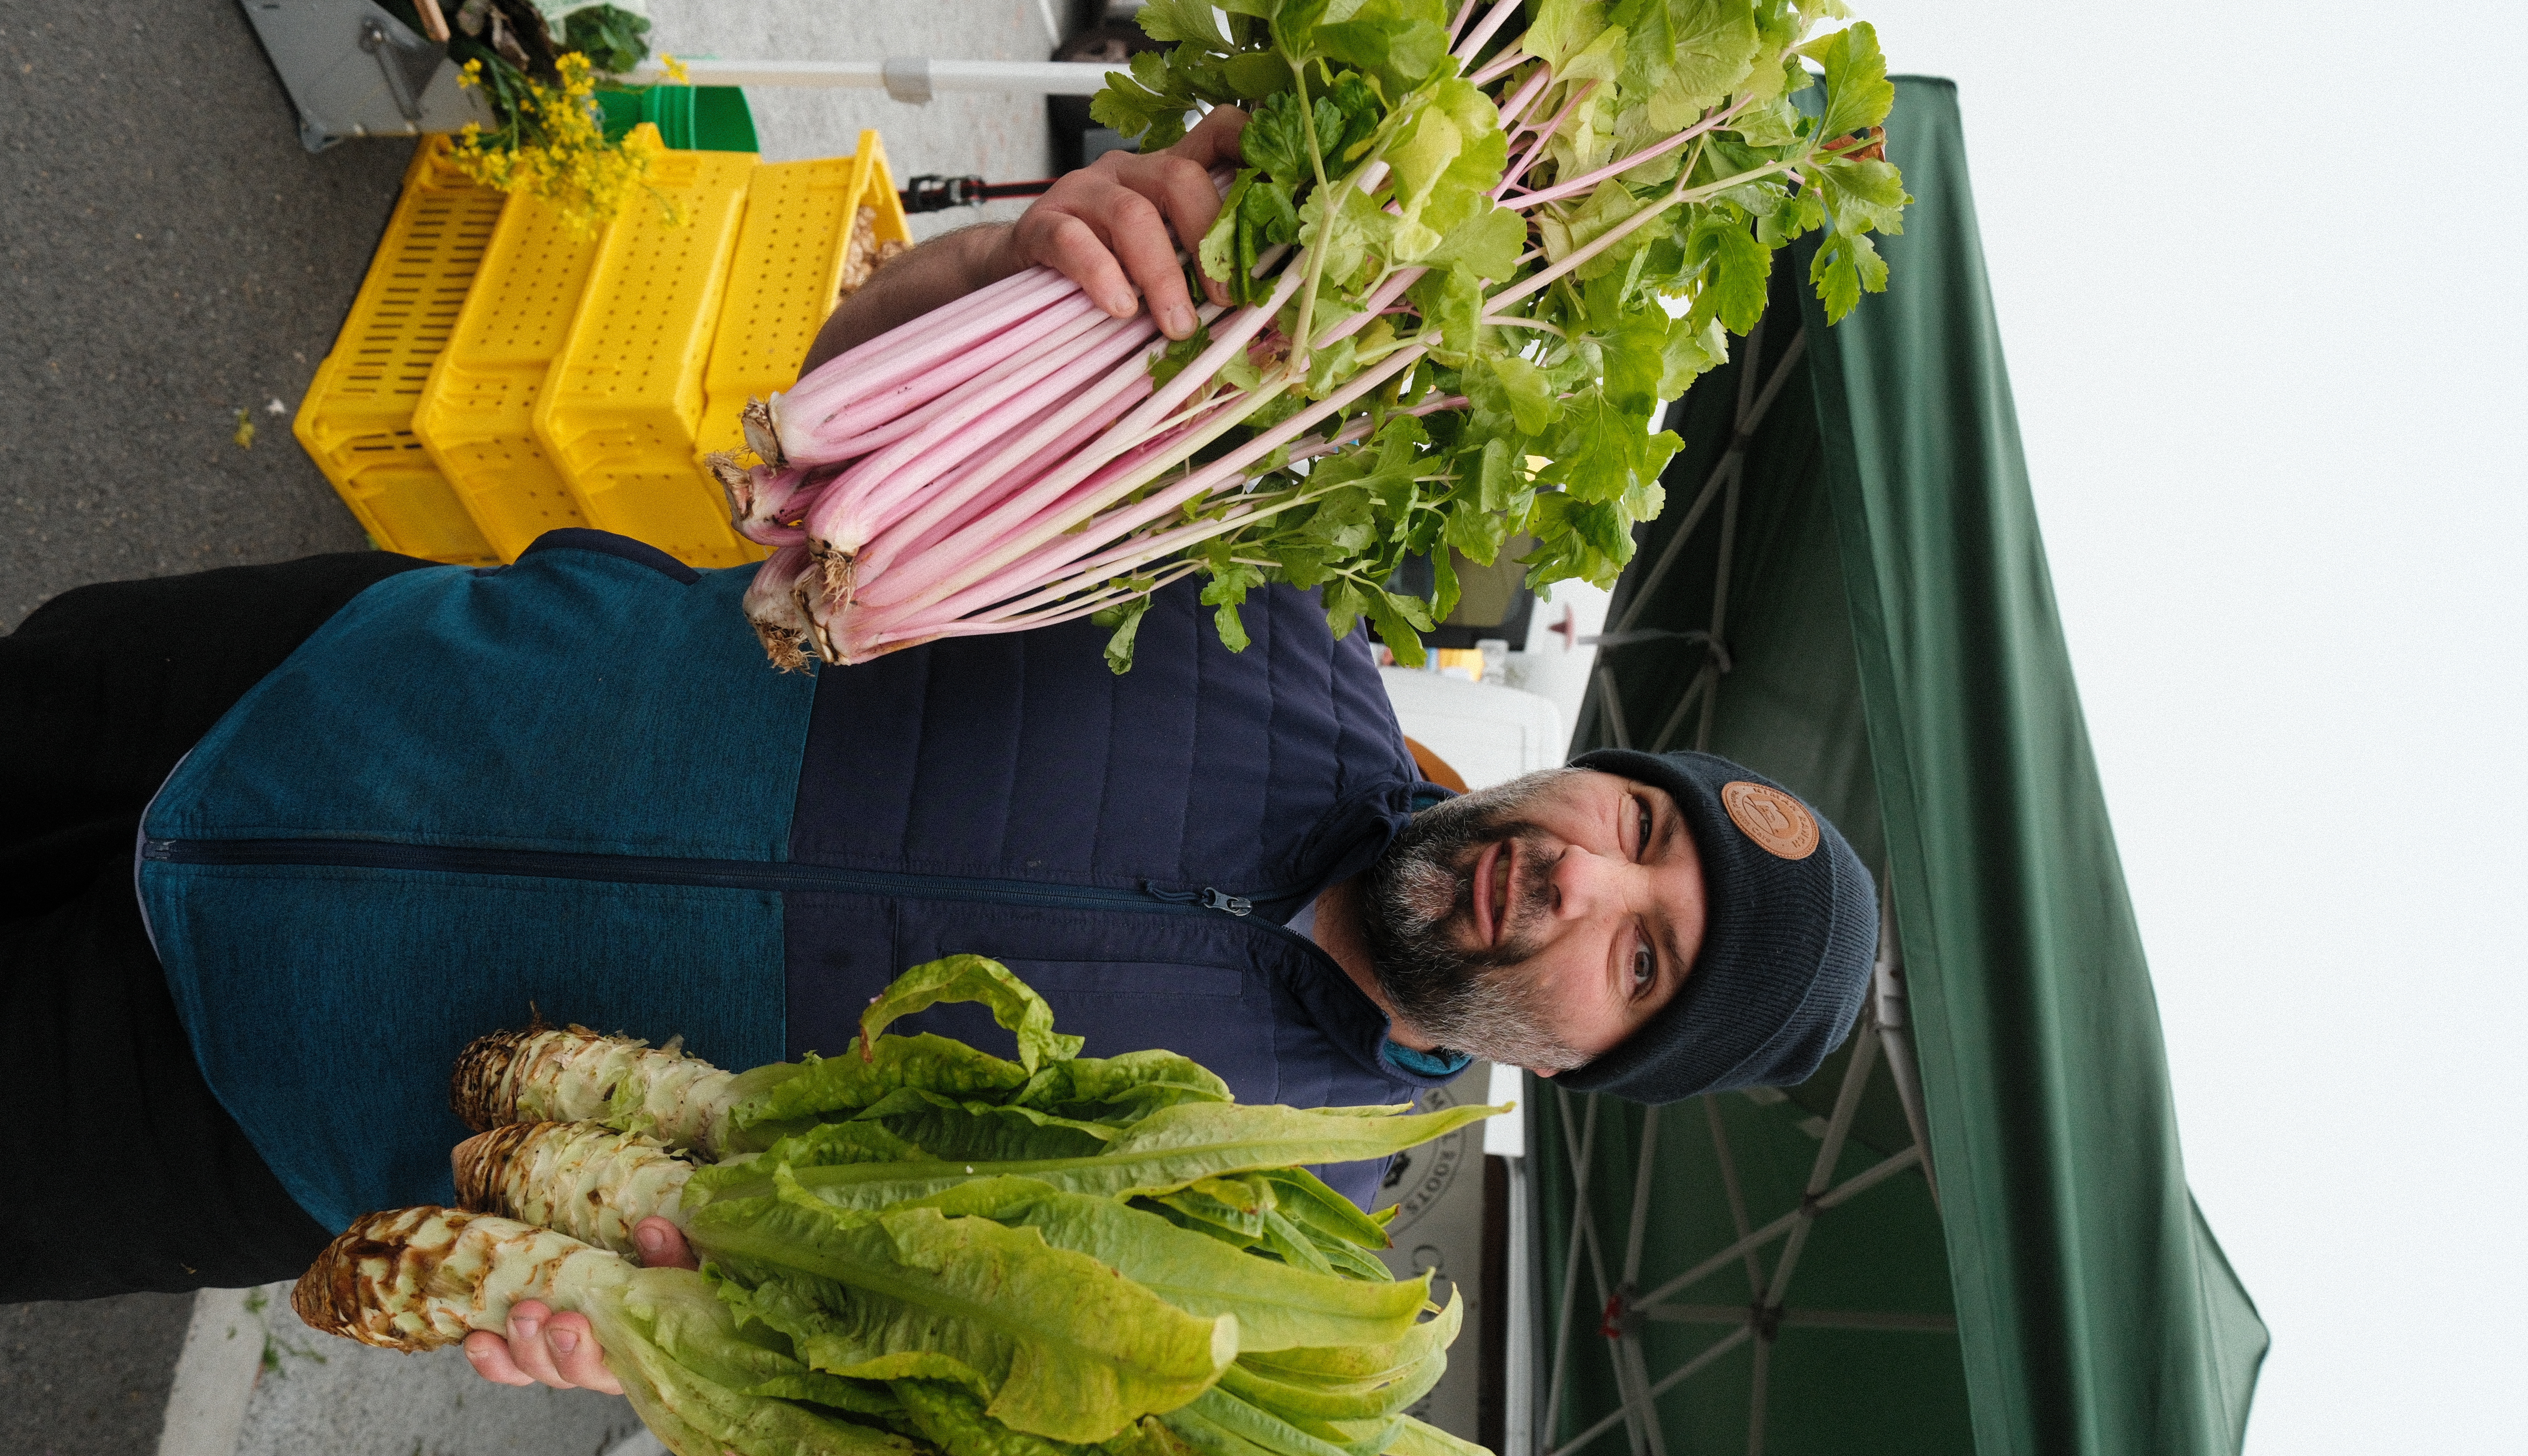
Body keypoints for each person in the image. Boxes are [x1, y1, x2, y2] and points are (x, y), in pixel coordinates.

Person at [1, 108, 1876, 1354]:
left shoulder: (1236, 1237)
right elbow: (838, 406)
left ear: (1580, 1066)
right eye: (1640, 818)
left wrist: (656, 1368)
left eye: (1642, 949)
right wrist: (999, 273)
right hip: (330, 669)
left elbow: (840, 1379)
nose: (1582, 868)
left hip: (264, 1100)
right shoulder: (1245, 581)